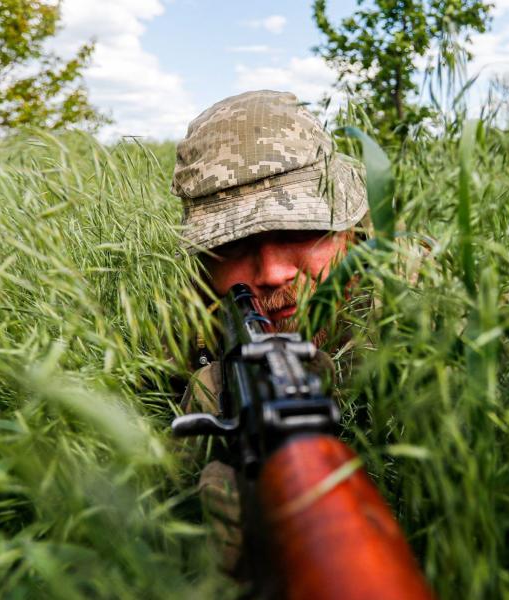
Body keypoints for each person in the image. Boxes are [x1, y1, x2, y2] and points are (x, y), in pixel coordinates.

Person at [170, 89, 370, 571]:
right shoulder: (185, 325)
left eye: (299, 230)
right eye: (232, 245)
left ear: (351, 232)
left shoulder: (432, 326)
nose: (272, 271)